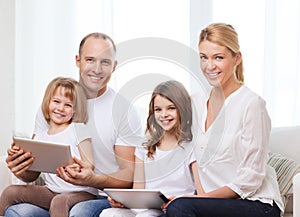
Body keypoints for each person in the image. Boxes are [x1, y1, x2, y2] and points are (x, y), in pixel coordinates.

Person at [4, 33, 143, 217]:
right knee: (17, 212)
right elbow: (33, 172)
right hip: (54, 194)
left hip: (101, 196)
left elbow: (129, 175)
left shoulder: (123, 111)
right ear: (78, 61)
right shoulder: (54, 107)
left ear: (114, 66)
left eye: (105, 62)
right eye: (90, 60)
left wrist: (93, 179)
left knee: (78, 211)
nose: (97, 69)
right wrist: (22, 168)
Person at [165, 23, 284, 217]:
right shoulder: (195, 102)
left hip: (255, 203)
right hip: (211, 203)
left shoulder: (251, 104)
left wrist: (198, 200)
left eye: (218, 57)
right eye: (204, 57)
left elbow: (251, 178)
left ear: (237, 58)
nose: (209, 66)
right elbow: (177, 150)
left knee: (180, 208)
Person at [100, 80, 203, 217]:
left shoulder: (191, 147)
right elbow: (138, 190)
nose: (164, 114)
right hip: (147, 208)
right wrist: (123, 202)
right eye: (158, 109)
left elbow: (201, 194)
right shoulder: (145, 147)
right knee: (109, 214)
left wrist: (178, 202)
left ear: (182, 109)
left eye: (171, 108)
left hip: (175, 209)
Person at [0, 77, 97, 217]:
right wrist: (19, 157)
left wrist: (79, 168)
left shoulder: (77, 128)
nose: (60, 108)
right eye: (56, 101)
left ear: (75, 110)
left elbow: (90, 164)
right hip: (52, 191)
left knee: (59, 201)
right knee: (11, 192)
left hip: (82, 193)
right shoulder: (40, 136)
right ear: (48, 102)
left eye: (68, 105)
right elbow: (32, 172)